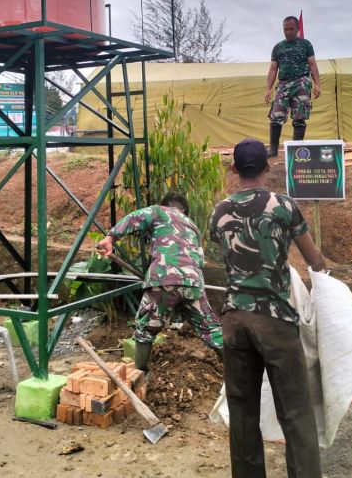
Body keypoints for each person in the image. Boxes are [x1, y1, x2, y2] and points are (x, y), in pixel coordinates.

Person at [209, 138, 326, 478]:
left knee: (243, 412)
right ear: (267, 168)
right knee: (295, 412)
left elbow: (231, 258)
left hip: (233, 320)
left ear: (234, 170)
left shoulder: (219, 211)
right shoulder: (283, 205)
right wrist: (324, 274)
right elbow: (313, 259)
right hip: (274, 319)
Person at [96, 192, 223, 372]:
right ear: (184, 210)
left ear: (165, 205)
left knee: (145, 331)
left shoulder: (158, 211)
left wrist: (110, 238)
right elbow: (200, 261)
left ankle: (140, 375)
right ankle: (236, 375)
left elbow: (135, 218)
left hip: (163, 279)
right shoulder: (193, 227)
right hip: (194, 282)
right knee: (212, 330)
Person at [263, 15, 320, 157]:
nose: (288, 32)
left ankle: (296, 152)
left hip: (301, 82)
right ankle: (273, 150)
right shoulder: (278, 47)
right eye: (285, 29)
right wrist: (268, 89)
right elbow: (273, 69)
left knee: (299, 117)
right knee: (276, 115)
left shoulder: (306, 44)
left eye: (291, 29)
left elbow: (312, 64)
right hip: (283, 84)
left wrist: (317, 84)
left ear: (297, 29)